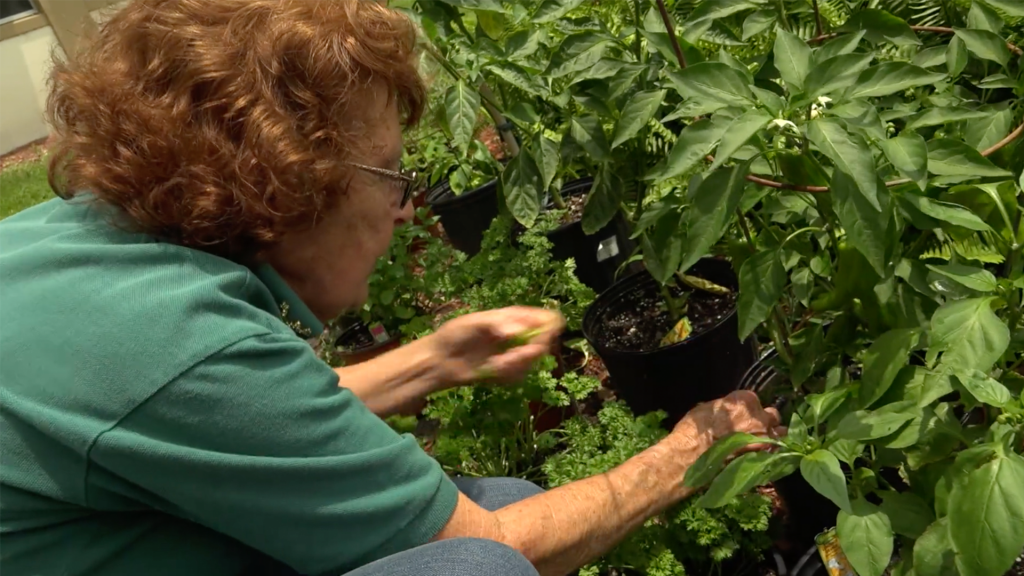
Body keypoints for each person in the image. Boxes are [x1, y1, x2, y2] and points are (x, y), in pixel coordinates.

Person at [0, 1, 784, 575]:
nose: (410, 209)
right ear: (291, 186)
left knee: (505, 494)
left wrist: (433, 361)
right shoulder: (183, 345)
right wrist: (686, 454)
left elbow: (231, 415)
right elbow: (495, 548)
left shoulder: (79, 242)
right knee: (474, 565)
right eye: (390, 174)